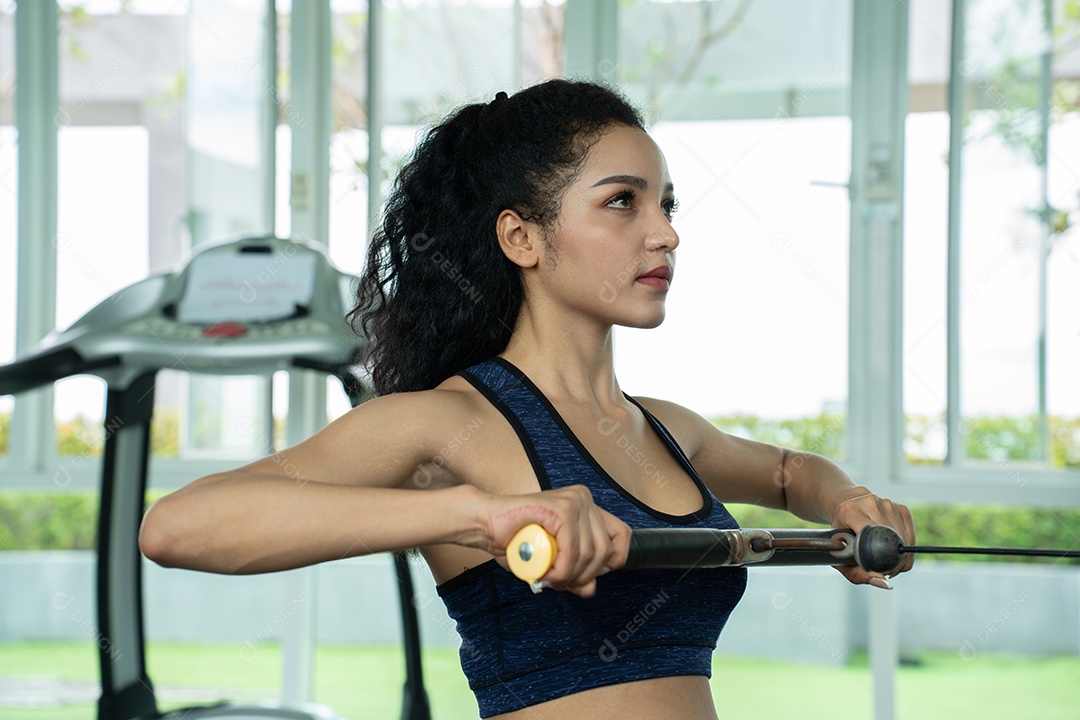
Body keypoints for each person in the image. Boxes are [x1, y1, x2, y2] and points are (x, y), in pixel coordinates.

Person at [139, 79, 915, 719]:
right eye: (623, 202)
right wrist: (479, 515)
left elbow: (786, 472)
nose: (666, 234)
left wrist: (848, 501)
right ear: (521, 238)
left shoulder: (667, 431)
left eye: (668, 205)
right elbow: (178, 528)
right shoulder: (447, 425)